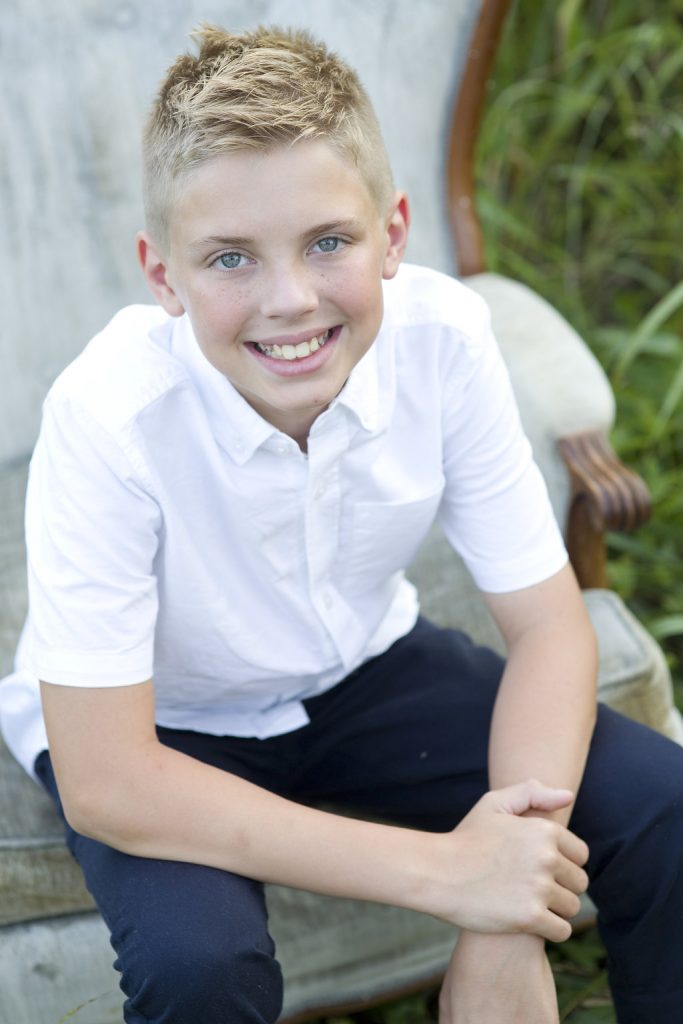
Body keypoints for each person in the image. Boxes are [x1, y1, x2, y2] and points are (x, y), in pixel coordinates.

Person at [0, 23, 681, 1024]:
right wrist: (448, 873)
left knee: (662, 802)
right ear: (162, 274)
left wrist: (500, 918)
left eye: (327, 242)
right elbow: (107, 780)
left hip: (364, 664)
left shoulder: (445, 340)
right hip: (165, 732)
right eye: (229, 257)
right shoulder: (107, 417)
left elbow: (547, 625)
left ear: (393, 232)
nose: (290, 300)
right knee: (200, 966)